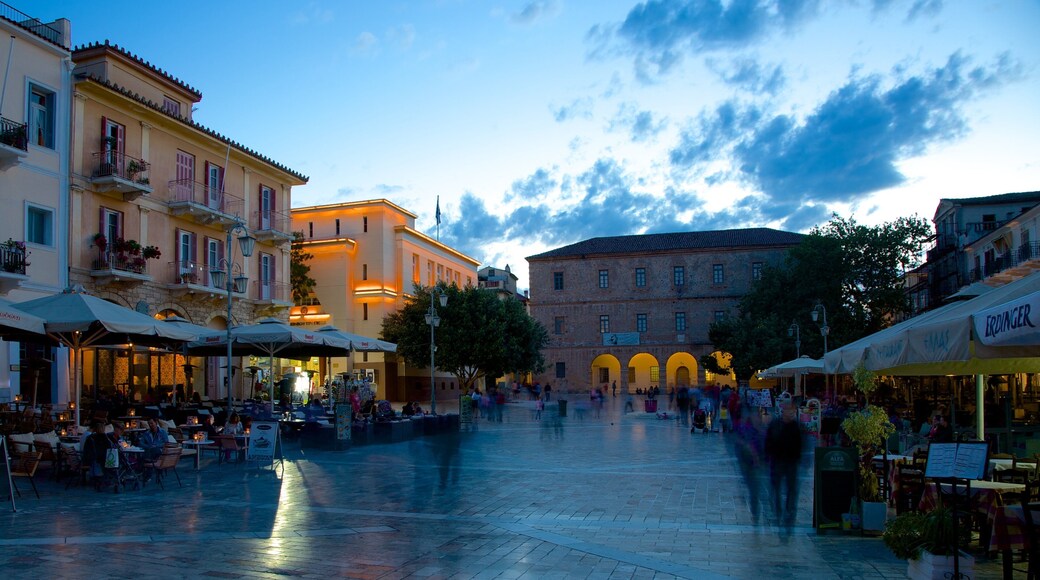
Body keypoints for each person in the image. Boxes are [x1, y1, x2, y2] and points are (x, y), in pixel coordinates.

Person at [765, 402, 803, 533]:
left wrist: (799, 458)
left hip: (791, 462)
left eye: (791, 411)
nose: (789, 414)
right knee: (776, 488)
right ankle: (778, 511)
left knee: (791, 489)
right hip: (777, 461)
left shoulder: (796, 426)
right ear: (783, 411)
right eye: (787, 411)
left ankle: (789, 512)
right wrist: (769, 455)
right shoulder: (775, 424)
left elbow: (800, 444)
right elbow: (768, 440)